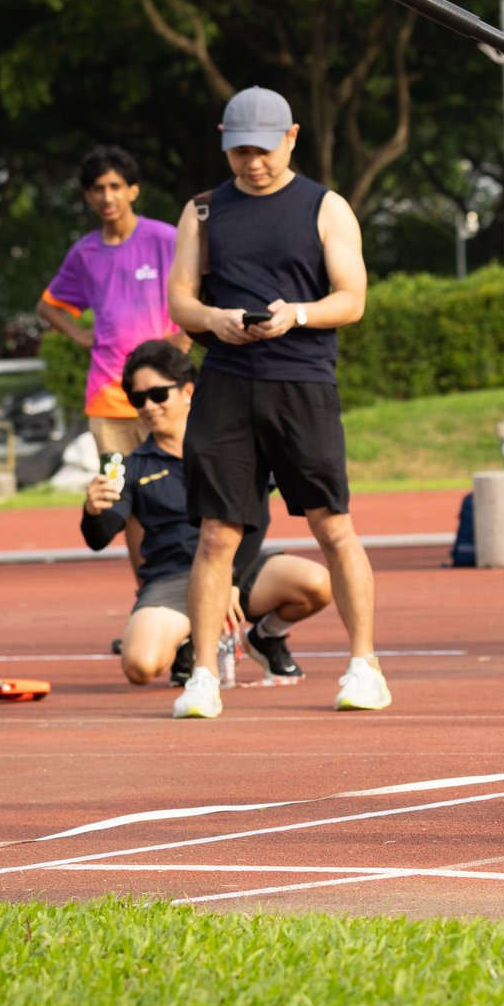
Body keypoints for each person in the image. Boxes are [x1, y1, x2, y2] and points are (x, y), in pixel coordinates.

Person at [166, 86, 386, 720]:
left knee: (332, 525)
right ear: (223, 141)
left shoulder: (327, 206)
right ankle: (203, 675)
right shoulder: (204, 211)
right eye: (239, 152)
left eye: (263, 150)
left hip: (303, 383)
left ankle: (365, 664)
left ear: (291, 137)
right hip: (226, 381)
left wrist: (299, 314)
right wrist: (215, 317)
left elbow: (353, 298)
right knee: (216, 534)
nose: (252, 163)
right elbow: (181, 300)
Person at [80, 340, 332, 688]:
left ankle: (265, 637)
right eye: (138, 399)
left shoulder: (231, 447)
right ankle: (189, 640)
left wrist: (228, 579)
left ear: (187, 391)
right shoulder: (131, 466)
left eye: (158, 394)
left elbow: (258, 514)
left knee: (317, 583)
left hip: (236, 568)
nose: (148, 407)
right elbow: (99, 536)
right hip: (174, 580)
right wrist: (92, 510)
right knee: (140, 665)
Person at [38, 146, 185, 454]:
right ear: (88, 196)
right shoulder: (84, 253)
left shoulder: (166, 238)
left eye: (115, 187)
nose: (107, 197)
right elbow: (46, 306)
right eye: (98, 189)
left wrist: (185, 337)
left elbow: (202, 288)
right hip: (108, 395)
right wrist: (79, 336)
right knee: (118, 495)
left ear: (133, 190)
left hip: (162, 391)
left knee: (172, 490)